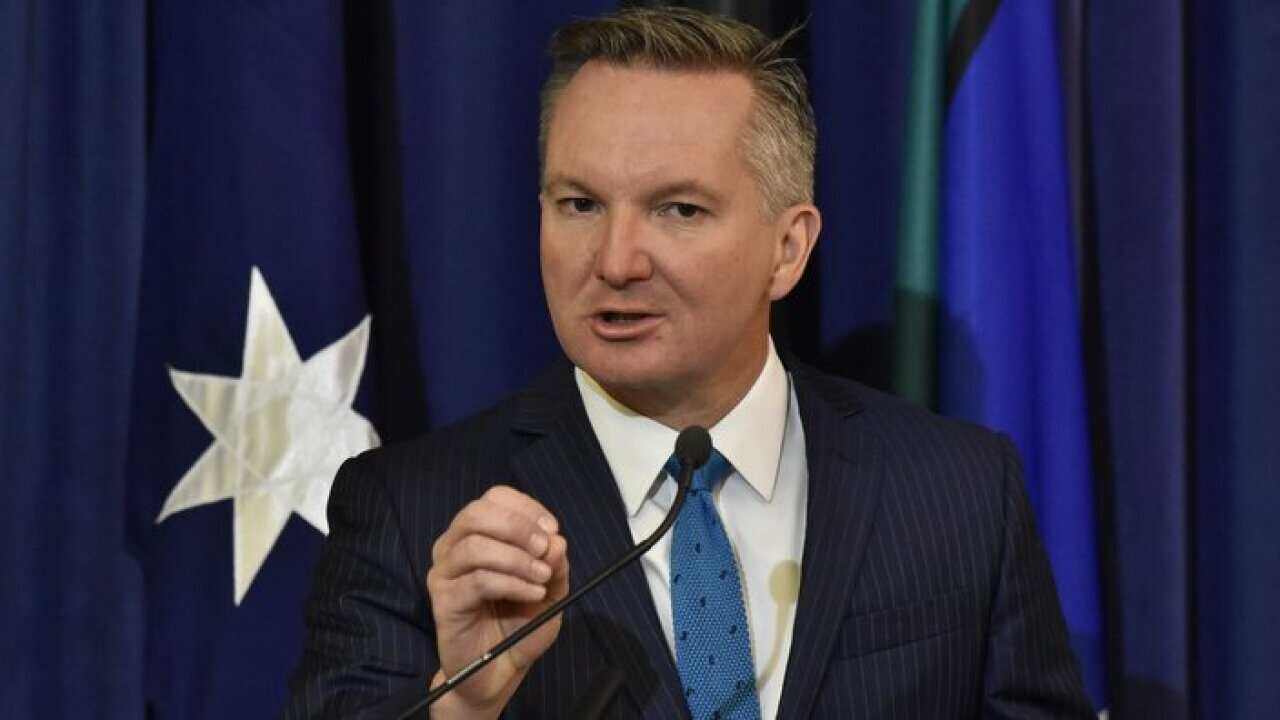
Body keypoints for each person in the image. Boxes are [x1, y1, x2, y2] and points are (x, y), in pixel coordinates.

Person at [284, 7, 1092, 719]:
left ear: (788, 248)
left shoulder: (960, 494)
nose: (617, 259)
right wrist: (462, 705)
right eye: (580, 204)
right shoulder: (411, 511)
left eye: (679, 210)